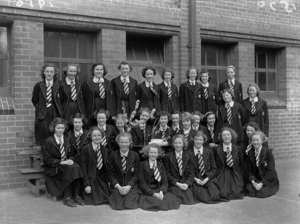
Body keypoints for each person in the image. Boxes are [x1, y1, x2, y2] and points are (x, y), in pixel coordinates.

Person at [41, 117, 84, 207]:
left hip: (67, 164)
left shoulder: (68, 139)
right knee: (68, 170)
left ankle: (76, 195)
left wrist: (71, 160)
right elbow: (46, 159)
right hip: (54, 168)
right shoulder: (48, 141)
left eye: (62, 128)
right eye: (58, 128)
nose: (60, 130)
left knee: (77, 167)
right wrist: (61, 162)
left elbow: (74, 153)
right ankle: (67, 197)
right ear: (54, 128)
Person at [188, 131, 228, 203]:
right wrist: (196, 179)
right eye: (196, 139)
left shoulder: (209, 151)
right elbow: (187, 171)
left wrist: (206, 179)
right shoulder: (188, 153)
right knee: (200, 195)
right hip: (195, 178)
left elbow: (214, 169)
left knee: (215, 194)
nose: (198, 141)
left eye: (200, 140)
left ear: (203, 141)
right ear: (193, 140)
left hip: (207, 177)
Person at [138, 143, 181, 210]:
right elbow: (141, 183)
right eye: (151, 152)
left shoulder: (161, 165)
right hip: (148, 190)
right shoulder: (142, 165)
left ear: (158, 154)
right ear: (147, 153)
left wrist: (161, 191)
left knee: (169, 201)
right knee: (153, 201)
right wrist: (153, 194)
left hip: (158, 188)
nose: (153, 154)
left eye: (155, 153)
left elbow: (165, 181)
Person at [107, 133, 140, 210]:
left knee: (130, 204)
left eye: (126, 142)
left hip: (130, 184)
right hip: (117, 184)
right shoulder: (113, 155)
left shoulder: (135, 155)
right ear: (118, 143)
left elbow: (136, 174)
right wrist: (118, 186)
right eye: (121, 142)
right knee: (117, 205)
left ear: (130, 142)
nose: (124, 145)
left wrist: (129, 186)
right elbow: (110, 174)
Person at [32, 63, 62, 145]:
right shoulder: (38, 85)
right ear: (44, 73)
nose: (49, 73)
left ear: (54, 73)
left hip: (54, 111)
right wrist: (40, 108)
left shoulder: (58, 85)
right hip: (42, 112)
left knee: (54, 132)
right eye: (47, 71)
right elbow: (34, 100)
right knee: (43, 134)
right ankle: (45, 154)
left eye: (51, 72)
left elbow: (62, 100)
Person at [80, 127, 110, 205]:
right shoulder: (85, 149)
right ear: (91, 137)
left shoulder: (105, 149)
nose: (97, 137)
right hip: (91, 177)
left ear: (102, 136)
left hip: (101, 177)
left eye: (99, 135)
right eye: (94, 136)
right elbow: (83, 167)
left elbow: (106, 167)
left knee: (107, 197)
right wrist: (86, 184)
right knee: (93, 198)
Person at [245, 131, 279, 198]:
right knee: (249, 190)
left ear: (262, 140)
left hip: (267, 179)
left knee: (261, 193)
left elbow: (271, 170)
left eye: (257, 140)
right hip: (257, 178)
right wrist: (253, 181)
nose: (255, 142)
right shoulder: (250, 152)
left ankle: (264, 187)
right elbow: (249, 169)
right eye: (253, 140)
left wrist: (261, 184)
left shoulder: (268, 153)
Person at [213, 127, 244, 200]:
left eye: (228, 135)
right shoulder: (216, 149)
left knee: (236, 192)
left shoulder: (238, 149)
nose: (226, 137)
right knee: (222, 192)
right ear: (221, 137)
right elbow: (214, 164)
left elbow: (241, 163)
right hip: (221, 173)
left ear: (232, 136)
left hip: (234, 172)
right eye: (224, 135)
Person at [164, 134, 195, 205]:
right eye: (175, 143)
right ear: (173, 144)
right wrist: (177, 183)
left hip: (185, 182)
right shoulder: (168, 156)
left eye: (180, 143)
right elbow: (167, 173)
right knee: (176, 197)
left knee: (189, 199)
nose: (178, 145)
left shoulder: (189, 155)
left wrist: (187, 183)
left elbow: (192, 172)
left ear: (183, 144)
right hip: (174, 183)